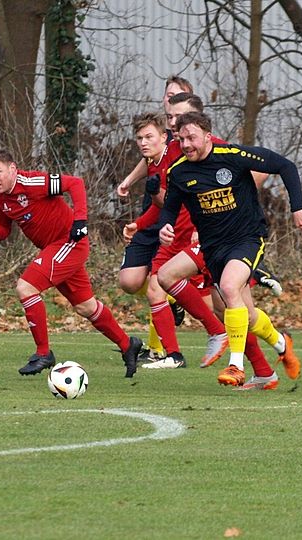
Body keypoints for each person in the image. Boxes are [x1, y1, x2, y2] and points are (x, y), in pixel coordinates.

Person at [157, 111, 302, 387]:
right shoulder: (179, 171)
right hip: (213, 248)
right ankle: (280, 343)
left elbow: (285, 166)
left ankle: (236, 366)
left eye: (192, 138)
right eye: (181, 139)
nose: (186, 144)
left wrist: (297, 207)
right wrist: (165, 226)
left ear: (207, 136)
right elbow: (170, 207)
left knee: (228, 287)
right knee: (247, 315)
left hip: (246, 238)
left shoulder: (233, 155)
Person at [0, 149, 143, 377]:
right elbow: (4, 227)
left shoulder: (33, 183)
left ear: (13, 169)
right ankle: (128, 345)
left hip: (69, 242)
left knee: (26, 287)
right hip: (54, 249)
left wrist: (80, 221)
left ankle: (43, 353)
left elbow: (75, 183)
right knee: (86, 307)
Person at [115, 76, 194, 363]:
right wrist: (130, 181)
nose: (170, 100)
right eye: (168, 95)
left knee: (159, 284)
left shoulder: (187, 140)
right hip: (153, 214)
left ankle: (163, 350)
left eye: (177, 96)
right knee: (129, 281)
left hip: (175, 221)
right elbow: (148, 159)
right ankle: (172, 302)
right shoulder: (158, 137)